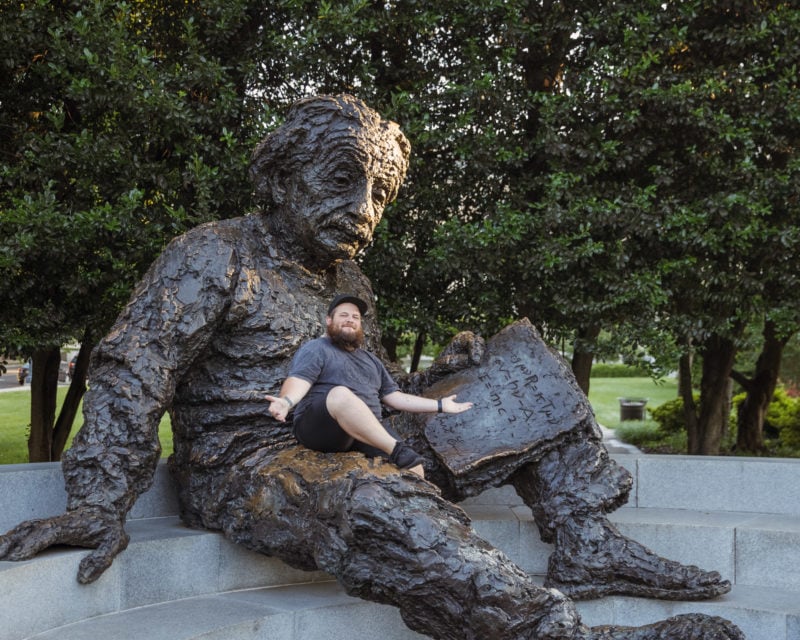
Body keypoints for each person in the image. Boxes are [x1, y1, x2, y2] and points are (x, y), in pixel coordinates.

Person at [0, 95, 742, 640]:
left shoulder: (349, 281)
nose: (363, 209)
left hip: (355, 439)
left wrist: (435, 384)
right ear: (283, 178)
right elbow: (134, 371)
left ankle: (584, 543)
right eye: (343, 180)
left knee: (518, 368)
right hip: (251, 464)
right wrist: (98, 500)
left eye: (379, 194)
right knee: (384, 504)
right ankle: (560, 634)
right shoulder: (216, 254)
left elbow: (372, 394)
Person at [266, 293, 473, 479]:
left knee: (415, 468)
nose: (350, 320)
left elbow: (395, 398)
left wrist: (439, 405)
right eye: (343, 315)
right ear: (329, 320)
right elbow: (299, 380)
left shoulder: (371, 360)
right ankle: (397, 450)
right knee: (340, 394)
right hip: (319, 428)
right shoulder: (316, 349)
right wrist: (286, 401)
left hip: (360, 434)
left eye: (355, 317)